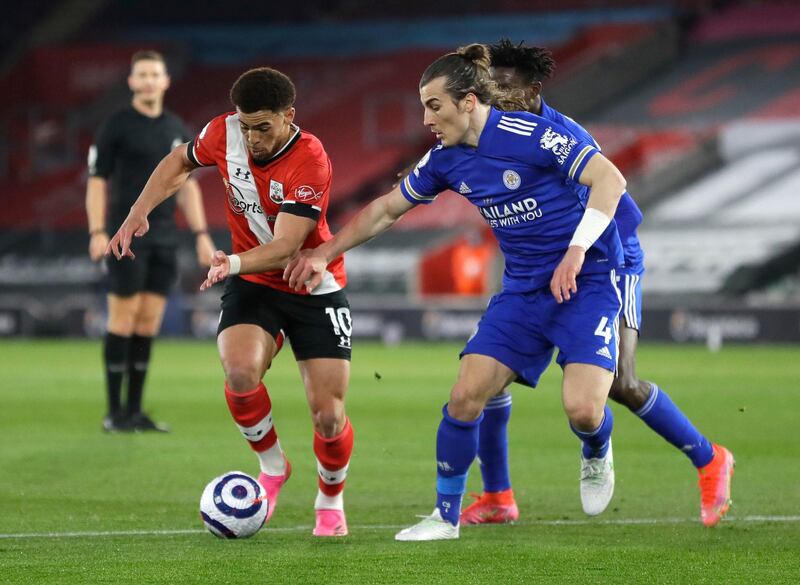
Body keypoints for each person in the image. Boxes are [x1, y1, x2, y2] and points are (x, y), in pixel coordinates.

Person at [284, 44, 627, 541]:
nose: (426, 118)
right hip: (525, 290)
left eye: (434, 105)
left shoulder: (534, 135)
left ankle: (596, 449)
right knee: (465, 395)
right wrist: (323, 252)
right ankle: (444, 517)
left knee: (583, 410)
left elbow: (609, 180)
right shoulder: (445, 160)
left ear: (468, 102)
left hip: (588, 280)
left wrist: (575, 251)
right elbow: (385, 210)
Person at [456, 39, 734, 529]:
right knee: (490, 372)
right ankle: (498, 495)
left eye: (506, 86)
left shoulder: (563, 136)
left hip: (609, 262)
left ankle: (709, 460)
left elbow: (614, 207)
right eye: (490, 85)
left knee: (620, 385)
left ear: (534, 89)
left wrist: (582, 256)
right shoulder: (496, 134)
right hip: (537, 274)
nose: (496, 96)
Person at [106, 67, 353, 537]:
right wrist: (139, 211)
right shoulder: (222, 132)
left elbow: (286, 245)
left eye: (264, 126)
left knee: (328, 415)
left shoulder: (310, 158)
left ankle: (330, 496)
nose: (253, 137)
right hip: (254, 283)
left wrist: (231, 264)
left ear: (288, 116)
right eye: (246, 125)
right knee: (239, 372)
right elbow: (179, 161)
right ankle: (274, 468)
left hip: (311, 287)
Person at [86, 50, 215, 433]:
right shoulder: (116, 126)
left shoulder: (175, 127)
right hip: (125, 237)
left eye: (154, 74)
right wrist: (97, 231)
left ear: (165, 81)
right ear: (131, 82)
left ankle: (136, 410)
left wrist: (202, 235)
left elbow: (186, 187)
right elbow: (97, 180)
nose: (147, 80)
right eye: (141, 74)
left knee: (148, 323)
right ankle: (114, 413)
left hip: (164, 237)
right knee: (123, 320)